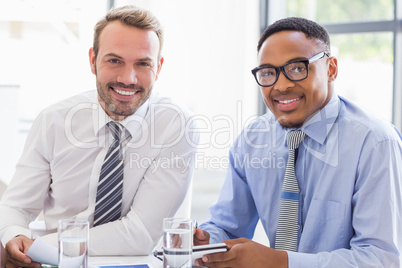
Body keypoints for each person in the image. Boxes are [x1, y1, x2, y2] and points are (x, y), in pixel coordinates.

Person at [194, 17, 402, 267]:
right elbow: (228, 228)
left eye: (297, 68)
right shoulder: (253, 139)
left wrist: (281, 262)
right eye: (268, 73)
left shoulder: (374, 143)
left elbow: (380, 259)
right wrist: (206, 242)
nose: (281, 86)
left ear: (331, 69)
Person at [0, 5, 198, 267]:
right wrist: (16, 236)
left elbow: (140, 234)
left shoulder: (175, 125)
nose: (128, 78)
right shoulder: (54, 121)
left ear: (158, 67)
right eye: (114, 60)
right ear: (92, 60)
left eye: (143, 63)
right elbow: (16, 207)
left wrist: (43, 246)